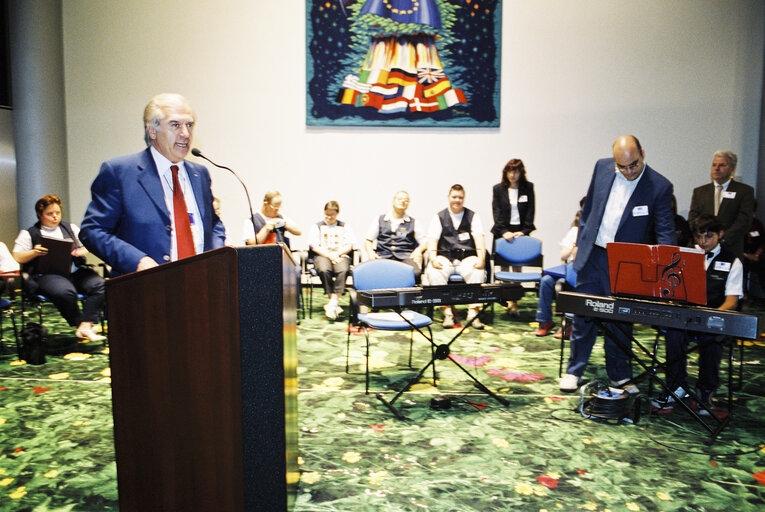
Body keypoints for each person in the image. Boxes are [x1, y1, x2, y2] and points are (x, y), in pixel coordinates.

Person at [559, 135, 676, 393]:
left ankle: (620, 375)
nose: (628, 171)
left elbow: (666, 232)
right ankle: (573, 371)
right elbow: (589, 208)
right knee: (584, 314)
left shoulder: (659, 186)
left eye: (633, 165)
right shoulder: (602, 167)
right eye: (621, 166)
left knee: (620, 320)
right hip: (593, 256)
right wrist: (580, 242)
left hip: (627, 263)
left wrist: (668, 275)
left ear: (643, 154)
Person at [79, 93, 226, 277]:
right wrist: (138, 261)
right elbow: (92, 231)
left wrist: (218, 255)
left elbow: (214, 225)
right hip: (144, 290)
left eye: (189, 125)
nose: (186, 134)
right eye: (175, 125)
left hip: (200, 286)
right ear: (152, 130)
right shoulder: (120, 172)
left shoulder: (200, 174)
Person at [651, 215, 743, 415]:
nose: (703, 242)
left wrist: (710, 317)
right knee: (674, 333)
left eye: (709, 237)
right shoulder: (684, 256)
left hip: (714, 317)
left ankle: (705, 391)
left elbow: (732, 301)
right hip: (686, 316)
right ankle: (676, 387)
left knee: (711, 338)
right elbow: (672, 289)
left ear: (720, 234)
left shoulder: (732, 261)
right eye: (700, 237)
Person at [12, 195, 106, 342]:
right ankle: (78, 323)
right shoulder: (30, 233)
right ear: (40, 214)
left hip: (74, 271)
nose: (55, 217)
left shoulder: (70, 228)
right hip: (48, 275)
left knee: (100, 285)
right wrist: (34, 252)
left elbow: (88, 245)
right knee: (65, 292)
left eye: (57, 213)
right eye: (50, 214)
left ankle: (85, 325)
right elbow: (17, 257)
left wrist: (81, 250)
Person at [424, 184, 486, 329]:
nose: (457, 200)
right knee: (434, 271)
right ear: (448, 197)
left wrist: (481, 258)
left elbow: (479, 239)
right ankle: (447, 313)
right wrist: (433, 258)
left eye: (460, 197)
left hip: (467, 257)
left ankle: (473, 314)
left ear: (464, 199)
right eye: (454, 197)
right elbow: (432, 240)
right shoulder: (439, 217)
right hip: (445, 256)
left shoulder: (473, 216)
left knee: (477, 271)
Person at [688, 150, 754, 258]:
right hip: (703, 248)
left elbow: (744, 220)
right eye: (714, 165)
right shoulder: (699, 191)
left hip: (730, 247)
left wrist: (720, 239)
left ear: (732, 168)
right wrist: (704, 238)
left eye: (722, 165)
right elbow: (693, 218)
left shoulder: (744, 191)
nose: (716, 168)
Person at [491, 158, 536, 314]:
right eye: (509, 171)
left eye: (515, 171)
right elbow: (496, 212)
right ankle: (507, 298)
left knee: (517, 268)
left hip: (520, 231)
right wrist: (504, 232)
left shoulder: (528, 188)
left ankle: (514, 301)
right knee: (503, 267)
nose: (512, 174)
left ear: (521, 172)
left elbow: (531, 211)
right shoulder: (498, 189)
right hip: (503, 231)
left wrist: (523, 232)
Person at [534, 205, 581, 337]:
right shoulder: (573, 231)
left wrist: (578, 247)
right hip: (568, 266)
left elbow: (579, 257)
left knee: (561, 283)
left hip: (582, 270)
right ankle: (545, 321)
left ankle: (568, 324)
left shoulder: (593, 232)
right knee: (546, 280)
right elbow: (563, 256)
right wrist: (574, 245)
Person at [364, 191, 426, 282]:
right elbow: (368, 240)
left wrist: (418, 251)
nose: (403, 202)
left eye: (406, 200)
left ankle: (407, 295)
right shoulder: (379, 219)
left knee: (415, 272)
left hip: (405, 257)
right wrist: (370, 253)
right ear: (393, 201)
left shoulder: (414, 222)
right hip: (383, 256)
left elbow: (425, 242)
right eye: (400, 199)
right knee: (371, 272)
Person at [309, 201, 355, 320]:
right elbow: (314, 246)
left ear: (337, 214)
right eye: (327, 215)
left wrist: (337, 254)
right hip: (323, 255)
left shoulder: (345, 226)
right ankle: (334, 302)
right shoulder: (317, 226)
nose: (329, 218)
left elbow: (349, 245)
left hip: (341, 255)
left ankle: (332, 303)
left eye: (332, 215)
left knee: (343, 270)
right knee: (324, 269)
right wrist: (330, 255)